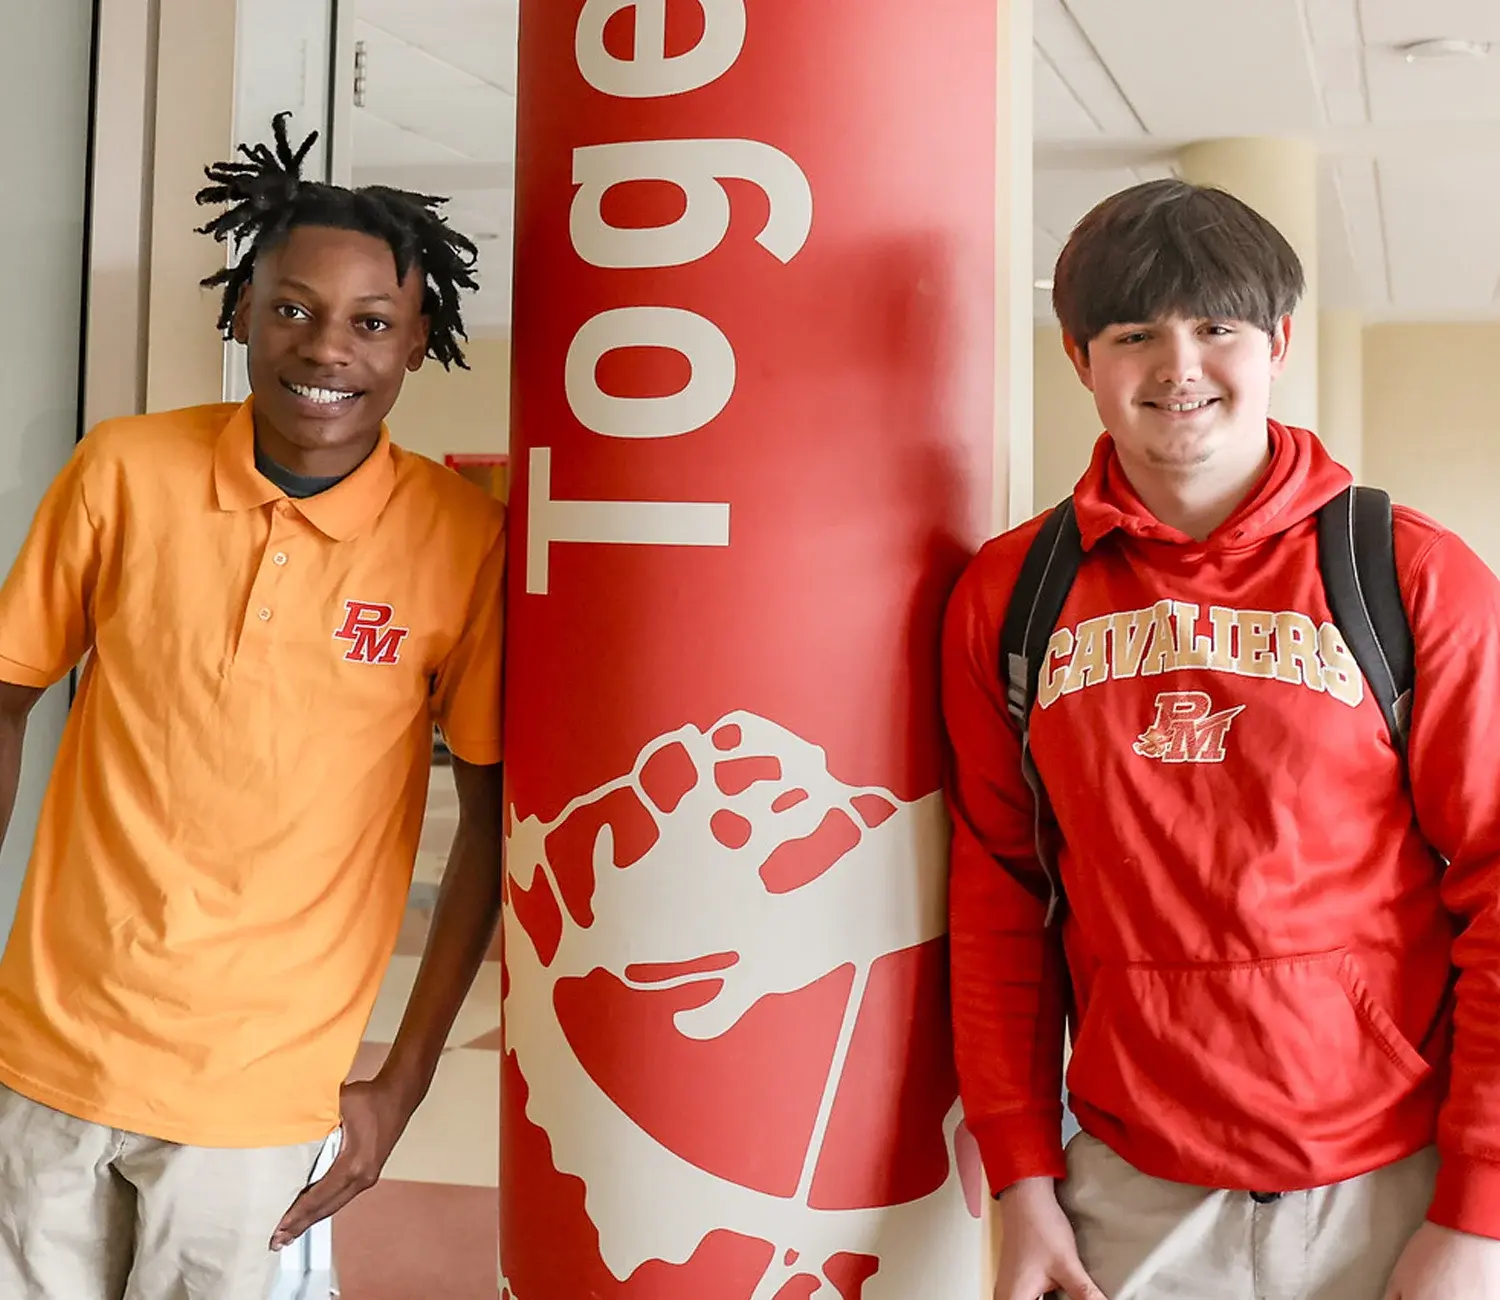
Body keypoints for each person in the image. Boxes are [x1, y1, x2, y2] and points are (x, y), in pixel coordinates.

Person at [942, 178, 1500, 1300]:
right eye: (1135, 332)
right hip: (1130, 1187)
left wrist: (1479, 1218)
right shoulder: (1011, 597)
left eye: (1217, 327)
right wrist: (1022, 1180)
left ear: (1279, 341)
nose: (1178, 366)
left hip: (1391, 1182)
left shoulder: (1410, 577)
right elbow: (1001, 893)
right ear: (1079, 357)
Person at [0, 112, 506, 1298]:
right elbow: (9, 694)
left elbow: (489, 821)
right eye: (291, 308)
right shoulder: (121, 471)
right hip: (45, 1056)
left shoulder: (462, 540)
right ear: (239, 312)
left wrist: (405, 1078)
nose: (326, 347)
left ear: (419, 342)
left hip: (263, 1096)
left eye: (372, 323)